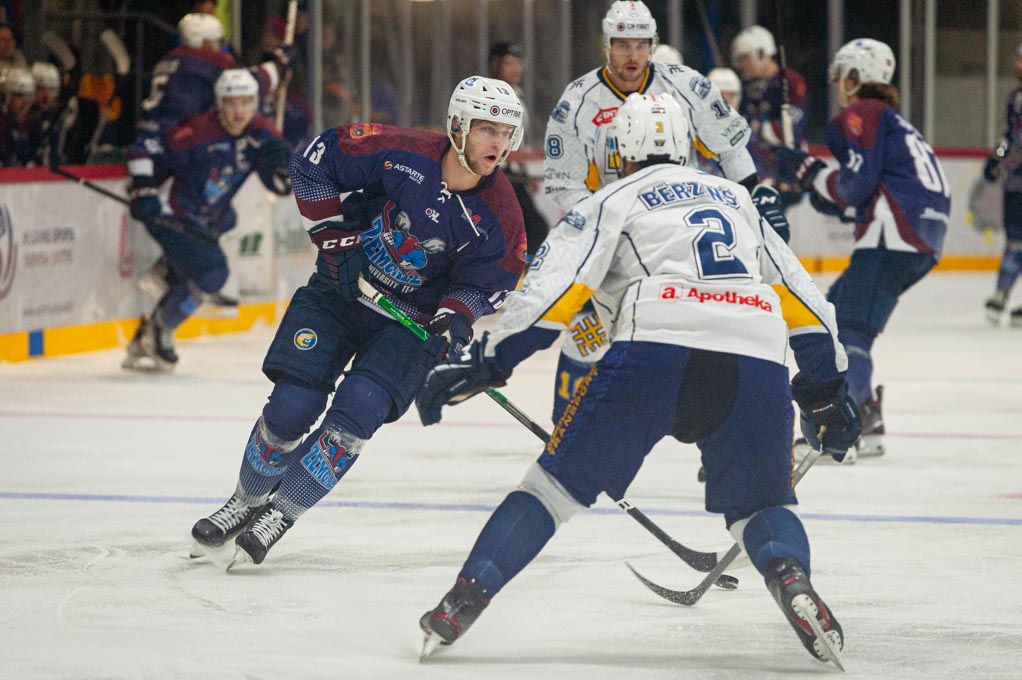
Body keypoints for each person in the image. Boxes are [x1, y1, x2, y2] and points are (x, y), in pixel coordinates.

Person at [414, 92, 858, 670]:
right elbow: (807, 304)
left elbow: (556, 290)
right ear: (687, 146)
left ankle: (462, 601)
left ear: (620, 150)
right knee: (762, 505)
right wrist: (826, 394)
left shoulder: (613, 198)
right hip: (753, 354)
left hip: (655, 349)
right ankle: (790, 576)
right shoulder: (737, 200)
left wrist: (491, 362)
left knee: (549, 491)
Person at [189, 76, 528, 568]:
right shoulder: (401, 152)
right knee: (291, 406)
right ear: (458, 126)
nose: (498, 143)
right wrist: (333, 239)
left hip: (409, 326)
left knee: (357, 411)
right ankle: (245, 501)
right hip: (341, 290)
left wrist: (455, 316)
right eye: (486, 129)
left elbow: (488, 282)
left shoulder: (502, 214)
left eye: (506, 132)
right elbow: (312, 163)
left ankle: (281, 511)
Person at [542, 0, 763, 424]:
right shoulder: (577, 102)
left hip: (676, 232)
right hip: (616, 235)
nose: (632, 55)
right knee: (586, 333)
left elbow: (731, 148)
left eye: (641, 45)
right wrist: (600, 224)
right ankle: (565, 430)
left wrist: (754, 197)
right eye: (623, 44)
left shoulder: (685, 84)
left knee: (701, 334)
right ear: (607, 45)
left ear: (653, 45)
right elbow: (565, 182)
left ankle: (721, 430)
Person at [775, 39, 950, 459]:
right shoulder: (892, 120)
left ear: (854, 78)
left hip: (894, 234)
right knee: (834, 316)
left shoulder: (863, 113)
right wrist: (824, 188)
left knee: (849, 329)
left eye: (841, 77)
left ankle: (843, 428)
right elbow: (864, 189)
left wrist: (807, 171)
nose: (838, 86)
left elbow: (853, 187)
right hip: (921, 236)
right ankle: (865, 417)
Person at [122, 69, 292, 371]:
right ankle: (160, 330)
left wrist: (283, 166)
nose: (238, 111)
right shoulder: (198, 132)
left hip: (209, 218)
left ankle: (160, 295)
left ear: (254, 103)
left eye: (245, 102)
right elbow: (143, 147)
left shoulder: (260, 133)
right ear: (219, 103)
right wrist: (143, 186)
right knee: (213, 275)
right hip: (171, 213)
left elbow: (276, 180)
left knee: (225, 225)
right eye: (231, 103)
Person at [731, 25, 808, 200]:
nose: (743, 64)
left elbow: (792, 128)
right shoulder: (746, 86)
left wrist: (756, 130)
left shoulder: (789, 82)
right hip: (756, 168)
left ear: (761, 54)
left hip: (787, 170)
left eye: (745, 57)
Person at [488, 40, 549, 256]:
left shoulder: (516, 95)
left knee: (528, 229)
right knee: (534, 228)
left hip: (513, 175)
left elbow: (516, 138)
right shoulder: (490, 97)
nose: (516, 69)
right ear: (494, 65)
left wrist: (524, 173)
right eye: (509, 63)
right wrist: (520, 157)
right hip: (498, 174)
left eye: (519, 63)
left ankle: (518, 268)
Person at [980, 43, 1022, 327]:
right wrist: (996, 157)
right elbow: (1009, 136)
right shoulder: (1014, 98)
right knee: (1015, 240)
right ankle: (1001, 293)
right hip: (1016, 183)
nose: (1018, 65)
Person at [0, 66, 34, 166]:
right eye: (19, 95)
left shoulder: (32, 123)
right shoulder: (2, 124)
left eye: (28, 96)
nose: (24, 102)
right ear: (7, 96)